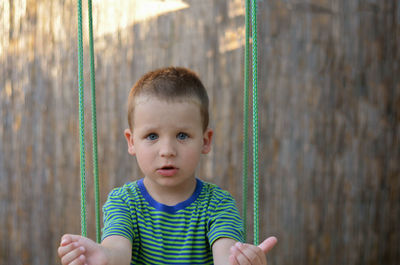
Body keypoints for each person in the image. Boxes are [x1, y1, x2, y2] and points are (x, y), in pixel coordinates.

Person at [58, 66, 277, 265]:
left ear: (205, 140)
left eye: (182, 135)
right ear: (132, 141)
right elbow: (117, 251)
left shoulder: (218, 205)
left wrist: (240, 261)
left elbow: (226, 255)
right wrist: (104, 257)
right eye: (152, 136)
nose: (167, 150)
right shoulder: (124, 202)